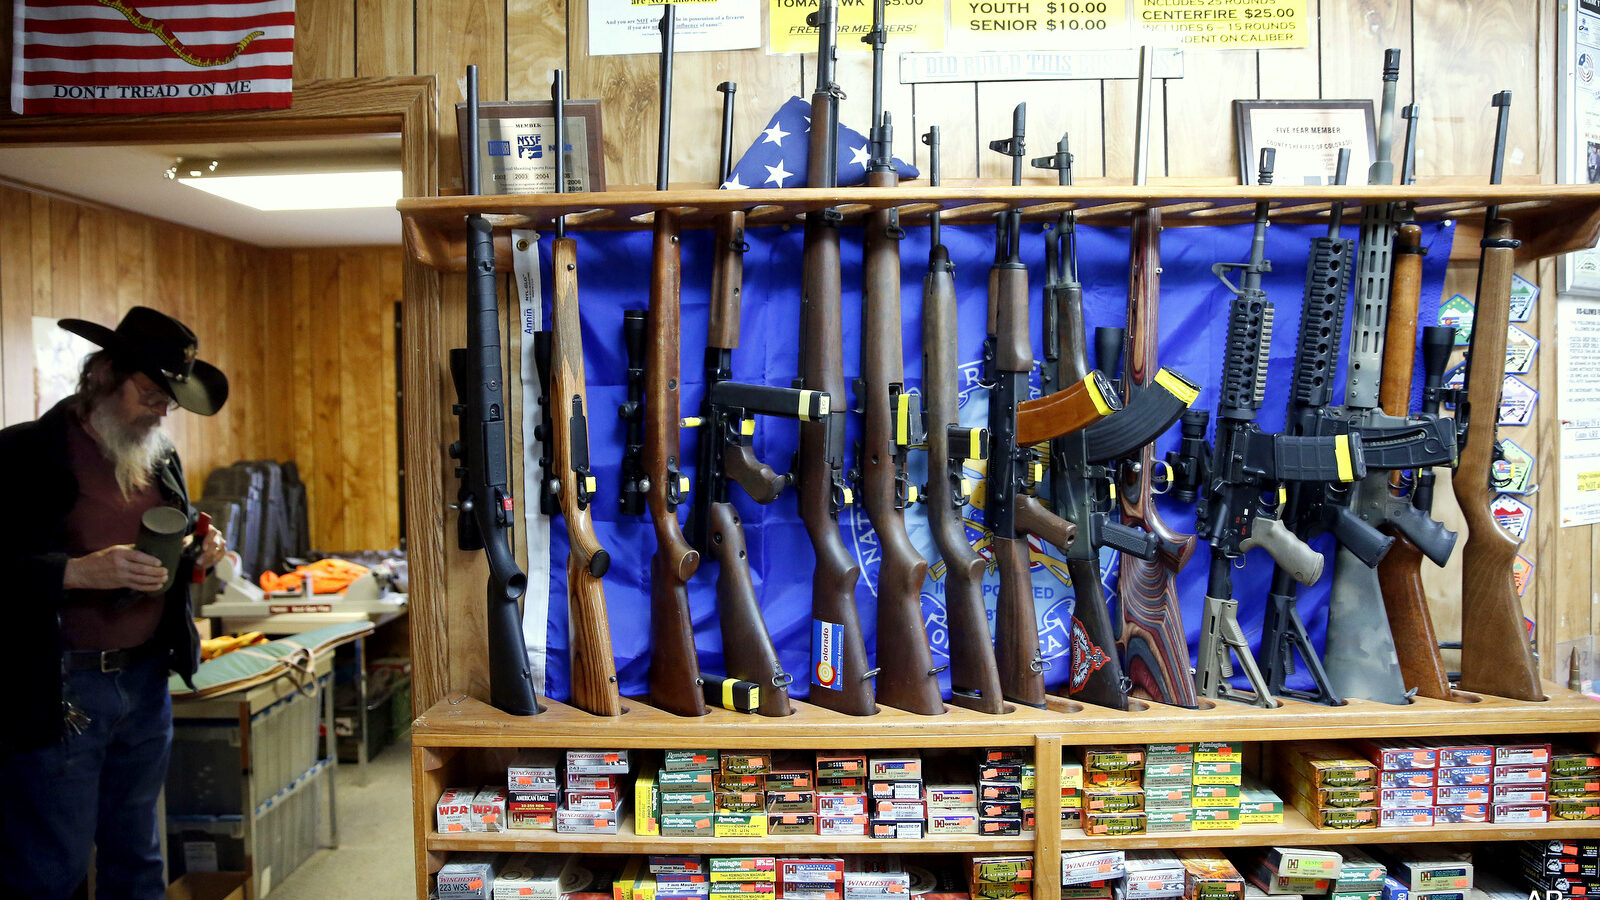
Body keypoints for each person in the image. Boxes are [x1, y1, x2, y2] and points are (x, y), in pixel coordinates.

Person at [0, 307, 230, 900]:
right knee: (52, 865)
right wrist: (76, 571)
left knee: (137, 853)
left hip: (146, 680)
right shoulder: (22, 455)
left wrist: (198, 554)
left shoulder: (160, 457)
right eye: (151, 393)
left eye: (170, 400)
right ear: (104, 375)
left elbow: (170, 551)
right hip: (60, 690)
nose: (161, 411)